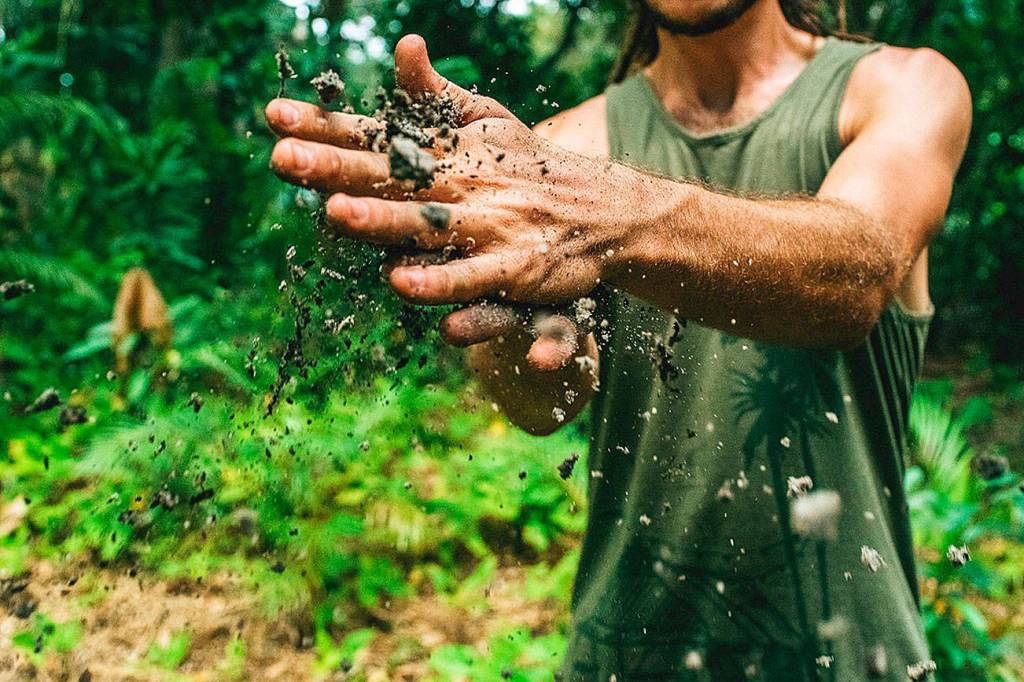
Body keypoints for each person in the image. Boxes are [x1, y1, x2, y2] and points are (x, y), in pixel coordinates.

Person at [265, 0, 971, 677]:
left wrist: (609, 218)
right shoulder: (564, 149)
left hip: (851, 656)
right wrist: (535, 343)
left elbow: (855, 275)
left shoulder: (899, 87)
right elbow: (540, 406)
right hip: (626, 656)